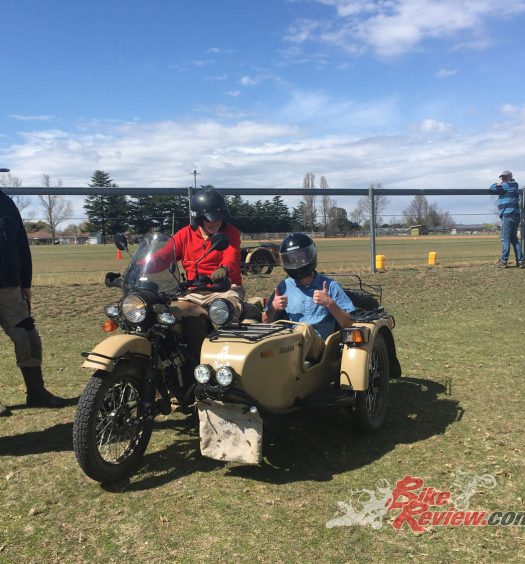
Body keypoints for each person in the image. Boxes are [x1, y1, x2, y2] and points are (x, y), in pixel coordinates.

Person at [141, 189, 243, 359]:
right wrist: (140, 267)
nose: (215, 223)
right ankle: (179, 357)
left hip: (225, 289)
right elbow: (164, 257)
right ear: (198, 218)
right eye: (209, 219)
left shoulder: (230, 232)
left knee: (225, 316)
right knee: (166, 317)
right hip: (192, 292)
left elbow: (231, 256)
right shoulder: (185, 235)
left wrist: (224, 269)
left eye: (218, 218)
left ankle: (227, 363)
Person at [0, 188, 66, 416]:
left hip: (10, 287)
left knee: (28, 337)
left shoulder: (6, 203)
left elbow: (21, 244)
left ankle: (36, 391)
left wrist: (25, 283)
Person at [262, 233, 355, 362]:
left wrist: (329, 303)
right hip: (286, 345)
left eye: (300, 257)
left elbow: (350, 323)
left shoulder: (330, 286)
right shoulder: (283, 286)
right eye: (291, 259)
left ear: (310, 255)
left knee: (303, 329)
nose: (296, 262)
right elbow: (265, 323)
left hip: (320, 350)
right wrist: (273, 307)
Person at [490, 170, 524, 268]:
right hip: (516, 216)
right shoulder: (515, 185)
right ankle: (520, 261)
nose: (503, 179)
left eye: (505, 177)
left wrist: (497, 183)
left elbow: (492, 188)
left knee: (506, 239)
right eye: (502, 177)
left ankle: (503, 261)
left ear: (510, 176)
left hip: (507, 216)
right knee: (514, 239)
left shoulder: (506, 185)